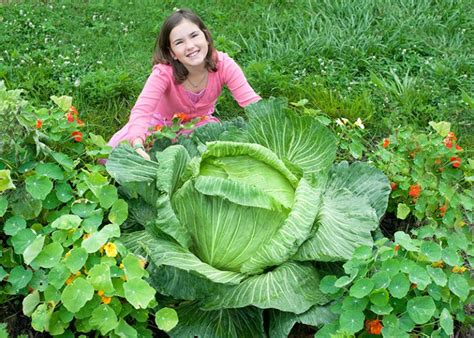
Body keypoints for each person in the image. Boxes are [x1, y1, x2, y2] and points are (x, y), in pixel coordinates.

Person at [108, 8, 261, 160]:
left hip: (199, 125)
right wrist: (137, 143)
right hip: (159, 125)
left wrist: (272, 122)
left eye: (194, 36)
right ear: (172, 52)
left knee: (209, 156)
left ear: (206, 37)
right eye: (179, 42)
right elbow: (142, 112)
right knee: (112, 155)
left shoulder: (224, 65)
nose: (190, 46)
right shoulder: (163, 73)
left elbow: (252, 103)